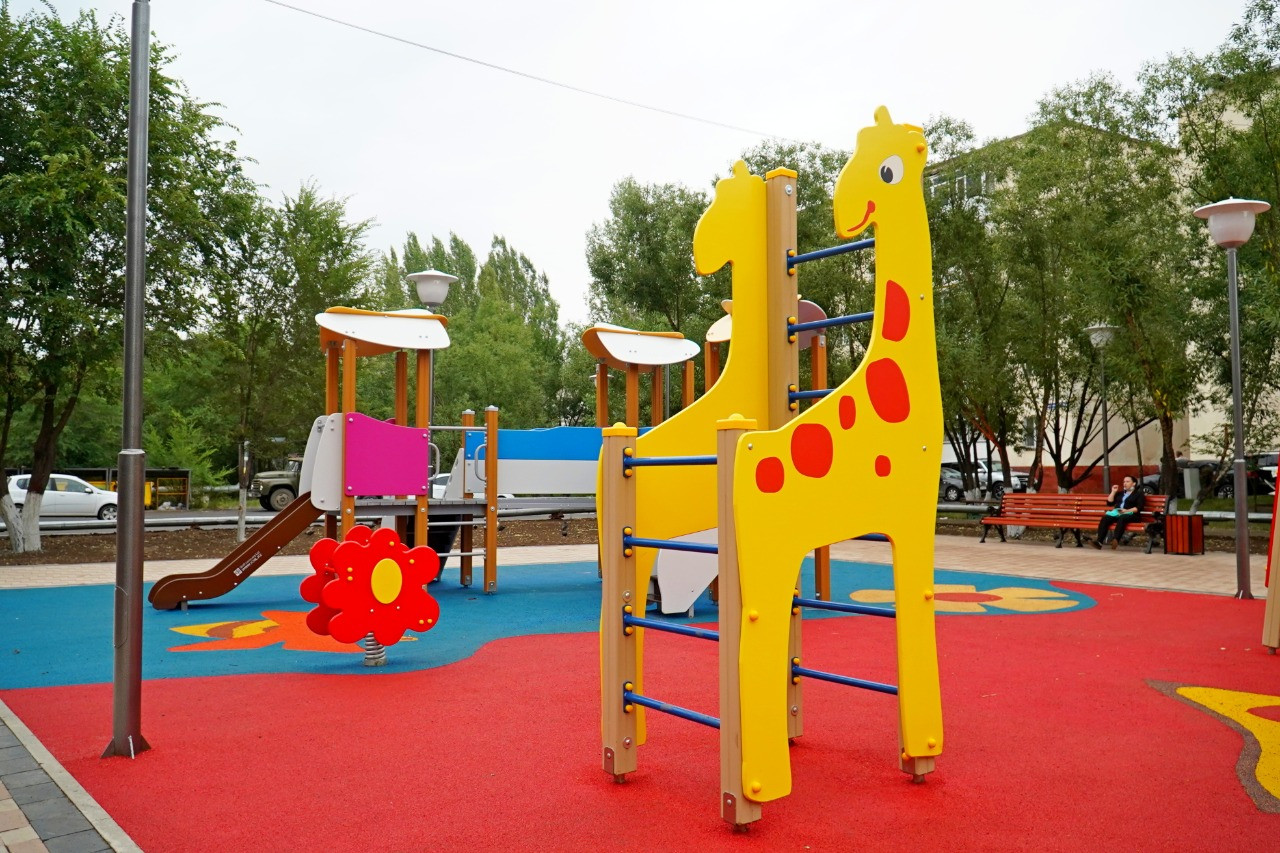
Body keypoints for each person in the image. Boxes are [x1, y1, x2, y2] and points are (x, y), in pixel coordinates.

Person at [1094, 475, 1144, 549]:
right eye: (1124, 482)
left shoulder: (1138, 494)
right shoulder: (1120, 493)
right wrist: (1113, 492)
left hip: (1132, 515)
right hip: (1118, 514)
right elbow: (1109, 503)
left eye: (1127, 481)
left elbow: (1139, 508)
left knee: (1122, 517)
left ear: (1134, 483)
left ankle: (1115, 540)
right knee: (1105, 518)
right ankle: (1099, 542)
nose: (1125, 483)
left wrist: (1127, 510)